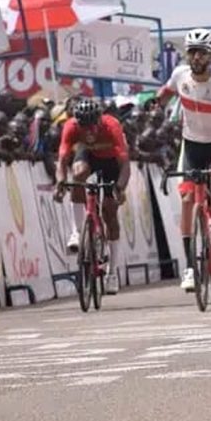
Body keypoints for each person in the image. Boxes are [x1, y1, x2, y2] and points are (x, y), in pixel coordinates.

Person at [156, 28, 211, 292]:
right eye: (192, 52)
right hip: (191, 145)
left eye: (202, 53)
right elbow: (166, 92)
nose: (196, 57)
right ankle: (191, 268)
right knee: (189, 200)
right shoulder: (180, 75)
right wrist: (155, 105)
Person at [54, 98, 131, 295]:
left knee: (110, 211)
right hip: (88, 156)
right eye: (84, 127)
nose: (88, 132)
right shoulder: (71, 127)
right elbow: (62, 160)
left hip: (112, 162)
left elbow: (125, 165)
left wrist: (119, 189)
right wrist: (60, 182)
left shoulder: (111, 125)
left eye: (92, 126)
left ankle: (112, 273)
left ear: (99, 121)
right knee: (78, 175)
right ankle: (77, 231)